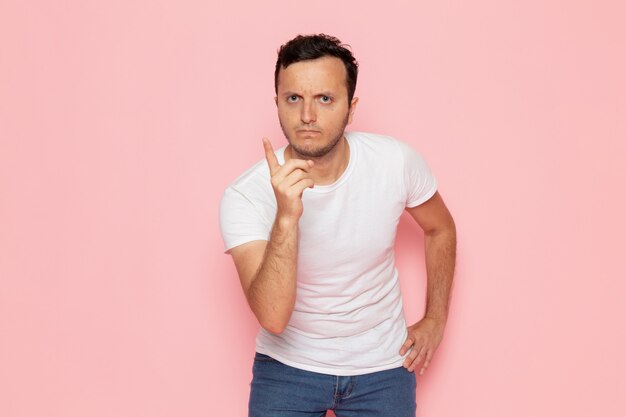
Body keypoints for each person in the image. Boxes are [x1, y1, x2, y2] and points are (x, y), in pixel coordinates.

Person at [219, 33, 457, 417]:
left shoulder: (395, 163)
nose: (307, 116)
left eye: (325, 99)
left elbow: (440, 228)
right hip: (286, 371)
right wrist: (286, 216)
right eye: (293, 98)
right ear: (277, 103)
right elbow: (273, 317)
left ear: (351, 107)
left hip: (383, 368)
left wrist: (436, 319)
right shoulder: (246, 194)